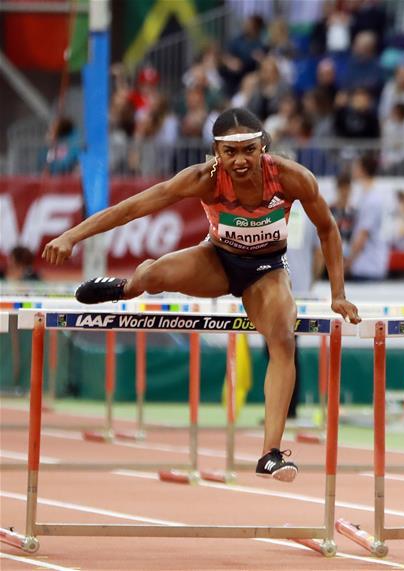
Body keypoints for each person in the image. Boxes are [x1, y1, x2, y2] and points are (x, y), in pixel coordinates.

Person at [42, 107, 361, 483]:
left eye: (249, 150)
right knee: (153, 274)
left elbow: (328, 229)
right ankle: (124, 288)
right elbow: (131, 209)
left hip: (266, 270)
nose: (240, 161)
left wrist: (338, 293)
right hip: (216, 260)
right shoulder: (202, 179)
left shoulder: (292, 178)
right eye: (230, 152)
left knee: (282, 337)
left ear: (263, 148)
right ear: (216, 153)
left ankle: (270, 454)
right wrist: (71, 236)